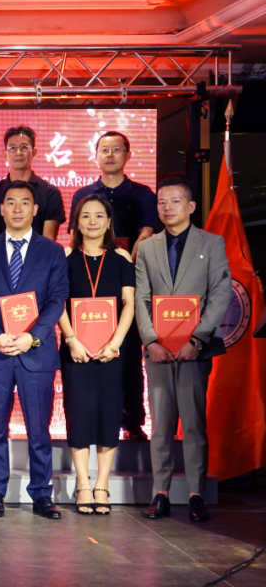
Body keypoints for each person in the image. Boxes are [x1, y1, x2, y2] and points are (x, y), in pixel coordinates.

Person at [0, 181, 68, 520]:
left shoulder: (52, 251)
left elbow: (57, 300)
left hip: (36, 354)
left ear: (35, 209)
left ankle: (42, 494)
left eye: (24, 202)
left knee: (39, 429)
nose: (17, 208)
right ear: (1, 208)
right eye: (10, 202)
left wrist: (33, 337)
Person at [136, 177, 230, 523]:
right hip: (158, 351)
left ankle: (195, 495)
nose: (167, 208)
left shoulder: (212, 243)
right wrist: (150, 341)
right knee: (161, 426)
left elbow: (220, 294)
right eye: (162, 202)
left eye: (175, 201)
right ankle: (160, 493)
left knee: (192, 424)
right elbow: (141, 298)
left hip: (194, 350)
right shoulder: (147, 247)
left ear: (190, 206)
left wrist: (198, 339)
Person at [69, 131, 159, 442]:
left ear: (127, 155)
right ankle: (91, 421)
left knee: (128, 354)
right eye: (104, 150)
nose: (110, 155)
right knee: (85, 352)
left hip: (127, 276)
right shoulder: (83, 194)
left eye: (116, 150)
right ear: (95, 155)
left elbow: (147, 232)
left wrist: (124, 261)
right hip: (87, 282)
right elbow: (74, 236)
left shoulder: (142, 194)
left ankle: (132, 421)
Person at [56, 195, 136, 515]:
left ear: (108, 222)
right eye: (85, 215)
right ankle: (82, 483)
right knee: (78, 414)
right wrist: (71, 340)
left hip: (111, 351)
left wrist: (116, 343)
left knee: (108, 414)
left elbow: (128, 303)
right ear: (76, 223)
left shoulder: (121, 258)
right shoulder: (65, 257)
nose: (92, 221)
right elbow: (58, 303)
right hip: (76, 350)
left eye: (99, 215)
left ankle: (102, 484)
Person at [0, 126, 65, 240]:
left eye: (24, 147)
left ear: (34, 153)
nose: (18, 152)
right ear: (5, 155)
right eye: (13, 148)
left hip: (37, 252)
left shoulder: (50, 193)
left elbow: (48, 241)